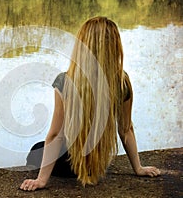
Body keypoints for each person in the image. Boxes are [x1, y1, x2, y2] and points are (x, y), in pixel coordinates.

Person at [20, 17, 160, 191]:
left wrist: (41, 180)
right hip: (99, 165)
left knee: (36, 150)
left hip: (70, 164)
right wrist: (138, 168)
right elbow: (125, 129)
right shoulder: (121, 81)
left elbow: (57, 135)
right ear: (115, 46)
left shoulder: (66, 80)